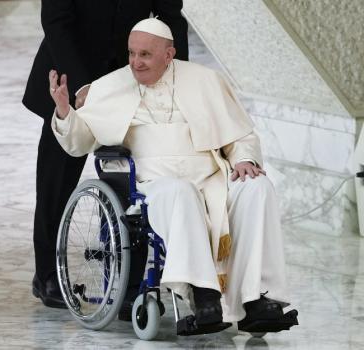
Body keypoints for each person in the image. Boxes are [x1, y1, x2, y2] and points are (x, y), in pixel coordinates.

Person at [48, 18, 298, 334]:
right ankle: (203, 296)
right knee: (181, 193)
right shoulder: (109, 87)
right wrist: (64, 112)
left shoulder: (205, 81)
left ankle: (257, 299)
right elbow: (79, 142)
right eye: (131, 54)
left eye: (145, 55)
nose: (136, 63)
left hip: (212, 178)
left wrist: (244, 160)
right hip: (154, 186)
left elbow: (239, 135)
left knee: (257, 186)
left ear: (169, 55)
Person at [22, 0, 189, 311]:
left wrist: (181, 81)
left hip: (128, 80)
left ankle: (127, 282)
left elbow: (170, 17)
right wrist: (84, 85)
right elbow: (56, 21)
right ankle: (47, 275)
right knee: (56, 185)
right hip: (70, 78)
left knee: (129, 182)